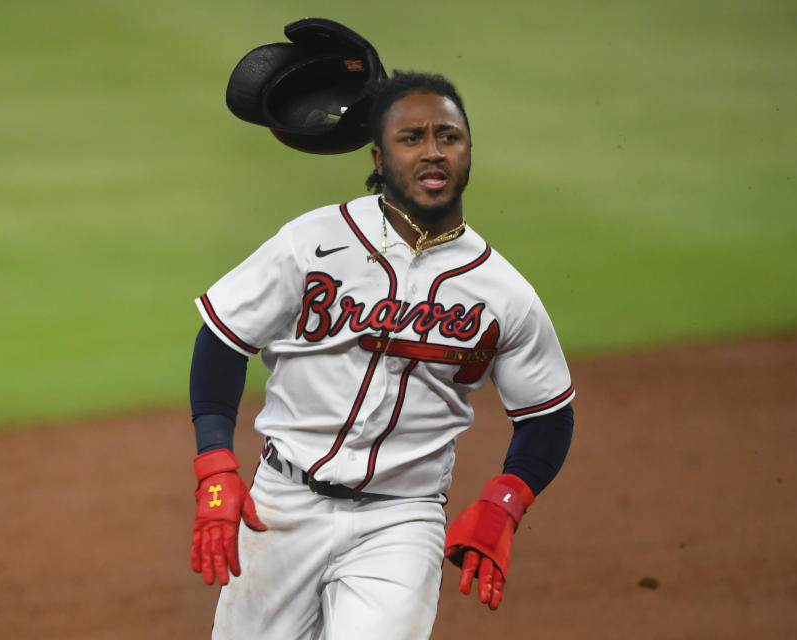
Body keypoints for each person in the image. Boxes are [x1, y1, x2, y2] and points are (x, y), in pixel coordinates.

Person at [189, 70, 575, 639]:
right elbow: (223, 339)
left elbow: (547, 415)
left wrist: (505, 500)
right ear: (378, 154)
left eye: (449, 136)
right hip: (281, 506)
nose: (433, 152)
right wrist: (215, 465)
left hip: (402, 520)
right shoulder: (313, 240)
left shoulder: (503, 292)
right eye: (411, 138)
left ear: (469, 151)